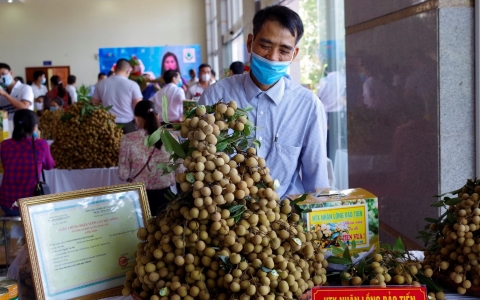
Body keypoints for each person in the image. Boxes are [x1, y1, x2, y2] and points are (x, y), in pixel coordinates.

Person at [199, 5, 328, 199]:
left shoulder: (308, 106)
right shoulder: (215, 97)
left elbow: (317, 182)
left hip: (287, 219)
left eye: (284, 50)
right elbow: (197, 164)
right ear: (250, 43)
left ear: (294, 54)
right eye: (265, 46)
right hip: (227, 219)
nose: (273, 57)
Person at [118, 100, 184, 214]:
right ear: (157, 116)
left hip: (139, 198)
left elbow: (123, 175)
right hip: (166, 197)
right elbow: (181, 171)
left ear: (137, 119)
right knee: (162, 229)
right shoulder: (171, 138)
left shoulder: (128, 139)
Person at [0, 109, 55, 216]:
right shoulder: (41, 144)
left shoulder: (4, 145)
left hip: (6, 204)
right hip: (30, 205)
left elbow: (6, 165)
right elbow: (50, 165)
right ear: (35, 127)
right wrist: (37, 139)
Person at [92, 58, 143, 134]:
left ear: (115, 69)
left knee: (110, 145)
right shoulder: (133, 85)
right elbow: (138, 106)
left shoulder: (101, 84)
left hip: (108, 124)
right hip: (128, 123)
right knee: (128, 145)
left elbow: (94, 103)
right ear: (128, 71)